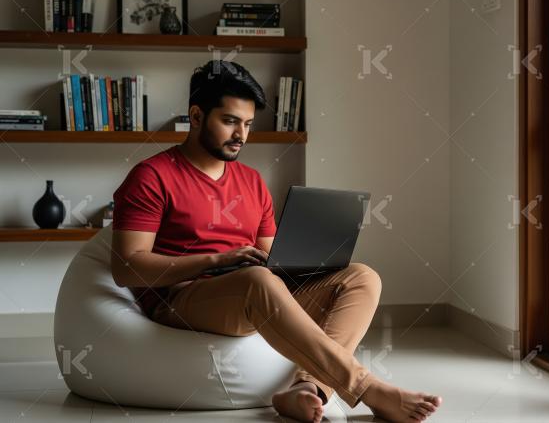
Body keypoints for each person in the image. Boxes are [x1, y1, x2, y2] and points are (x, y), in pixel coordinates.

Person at [109, 60, 442, 423]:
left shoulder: (252, 181)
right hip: (182, 299)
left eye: (248, 124)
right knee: (258, 280)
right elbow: (126, 268)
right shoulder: (152, 176)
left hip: (256, 292)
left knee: (362, 277)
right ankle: (368, 388)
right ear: (196, 116)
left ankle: (308, 388)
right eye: (230, 121)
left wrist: (309, 262)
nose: (241, 134)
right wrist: (217, 260)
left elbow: (270, 259)